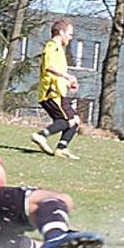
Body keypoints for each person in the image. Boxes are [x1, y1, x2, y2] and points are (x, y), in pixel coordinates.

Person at [31, 18, 81, 160]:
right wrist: (67, 76)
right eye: (70, 34)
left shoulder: (59, 50)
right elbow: (49, 67)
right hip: (51, 93)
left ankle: (61, 148)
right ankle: (40, 135)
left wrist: (68, 83)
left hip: (59, 93)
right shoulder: (51, 46)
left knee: (74, 120)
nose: (71, 38)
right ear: (61, 32)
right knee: (67, 120)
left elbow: (56, 72)